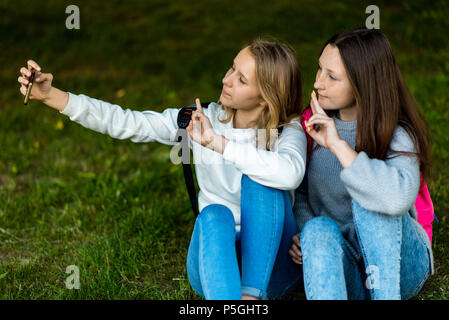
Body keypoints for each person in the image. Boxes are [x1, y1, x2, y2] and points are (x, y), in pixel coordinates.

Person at [18, 39, 306, 300]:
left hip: (273, 267)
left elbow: (290, 173)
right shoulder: (199, 119)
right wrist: (51, 96)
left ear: (265, 96)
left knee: (262, 181)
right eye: (231, 68)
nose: (225, 79)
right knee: (214, 214)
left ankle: (250, 298)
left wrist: (219, 144)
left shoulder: (286, 131)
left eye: (240, 79)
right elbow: (127, 122)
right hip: (215, 264)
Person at [289, 28, 433, 300]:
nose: (318, 83)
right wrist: (306, 234)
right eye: (319, 70)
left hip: (400, 266)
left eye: (332, 77)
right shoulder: (310, 126)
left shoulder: (398, 133)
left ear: (363, 83)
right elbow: (301, 193)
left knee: (370, 194)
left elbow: (395, 199)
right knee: (317, 230)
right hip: (347, 265)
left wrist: (338, 146)